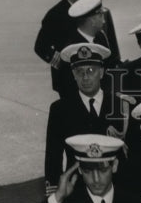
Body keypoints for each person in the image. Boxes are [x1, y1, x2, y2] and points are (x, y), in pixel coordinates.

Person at [43, 43, 129, 187]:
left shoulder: (120, 105)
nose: (85, 77)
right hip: (78, 187)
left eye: (91, 70)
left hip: (117, 185)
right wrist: (56, 194)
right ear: (73, 74)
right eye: (79, 71)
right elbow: (53, 158)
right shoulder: (60, 110)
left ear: (101, 72)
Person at [33, 0, 94, 96]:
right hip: (68, 80)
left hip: (94, 75)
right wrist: (63, 65)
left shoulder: (94, 10)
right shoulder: (55, 15)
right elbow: (40, 47)